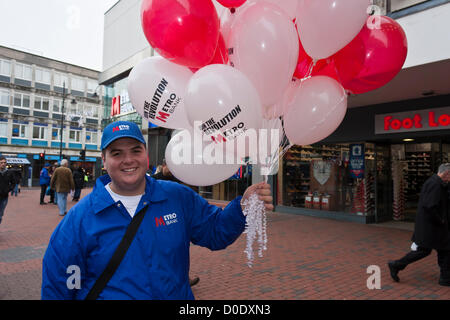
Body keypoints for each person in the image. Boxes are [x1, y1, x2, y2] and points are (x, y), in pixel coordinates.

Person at [42, 121, 273, 300]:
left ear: (146, 155)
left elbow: (216, 233)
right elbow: (58, 286)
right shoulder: (79, 220)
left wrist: (243, 206)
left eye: (135, 150)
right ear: (103, 160)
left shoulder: (177, 197)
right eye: (116, 153)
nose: (128, 160)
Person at [388, 163, 450, 286]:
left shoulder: (437, 183)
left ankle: (445, 277)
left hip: (432, 227)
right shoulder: (435, 185)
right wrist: (441, 220)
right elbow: (430, 207)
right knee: (426, 250)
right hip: (432, 227)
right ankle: (396, 265)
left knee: (444, 250)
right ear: (447, 173)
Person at [151, 159, 200, 287]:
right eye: (169, 167)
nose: (172, 170)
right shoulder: (153, 179)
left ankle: (185, 278)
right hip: (158, 222)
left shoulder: (178, 180)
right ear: (163, 166)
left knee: (180, 251)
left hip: (176, 220)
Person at [0, 157, 14, 226]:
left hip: (4, 197)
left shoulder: (9, 173)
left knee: (0, 215)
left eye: (4, 162)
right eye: (1, 162)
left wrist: (8, 189)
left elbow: (13, 183)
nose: (3, 164)